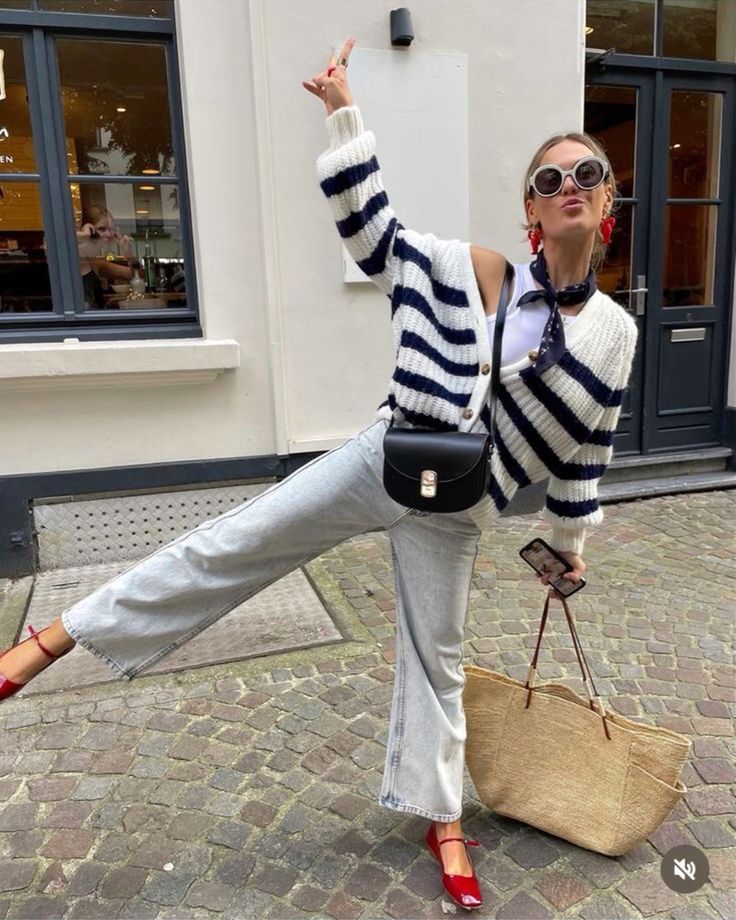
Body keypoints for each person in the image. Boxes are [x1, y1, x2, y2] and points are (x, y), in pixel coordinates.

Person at [0, 37, 637, 910]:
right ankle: (49, 641)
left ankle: (442, 817)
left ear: (608, 198)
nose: (568, 186)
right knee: (238, 541)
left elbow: (587, 449)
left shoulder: (614, 334)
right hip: (387, 457)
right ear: (530, 206)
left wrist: (568, 546)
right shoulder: (469, 270)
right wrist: (344, 113)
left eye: (586, 174)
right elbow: (375, 237)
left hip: (459, 510)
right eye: (549, 178)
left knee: (438, 660)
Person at [76, 206, 136, 308]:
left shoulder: (95, 262)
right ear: (90, 230)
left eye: (111, 229)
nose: (108, 234)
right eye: (102, 229)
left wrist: (129, 255)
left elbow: (135, 275)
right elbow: (55, 240)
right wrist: (84, 234)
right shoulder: (77, 254)